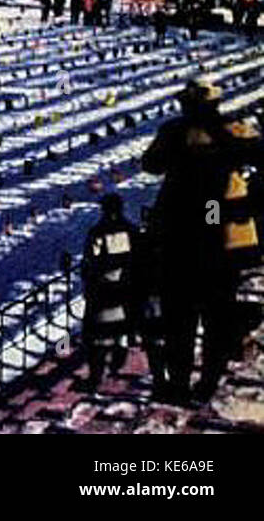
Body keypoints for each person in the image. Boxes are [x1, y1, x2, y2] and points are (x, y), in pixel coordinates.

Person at [141, 78, 263, 403]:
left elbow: (150, 164)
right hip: (220, 237)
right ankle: (206, 383)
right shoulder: (235, 130)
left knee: (179, 319)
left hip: (181, 235)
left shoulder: (173, 132)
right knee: (215, 317)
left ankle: (181, 383)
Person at [81, 194, 144, 388]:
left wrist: (90, 283)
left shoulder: (97, 233)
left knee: (96, 338)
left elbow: (90, 261)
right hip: (127, 291)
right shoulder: (132, 231)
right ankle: (118, 360)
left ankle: (96, 377)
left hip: (102, 292)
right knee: (121, 331)